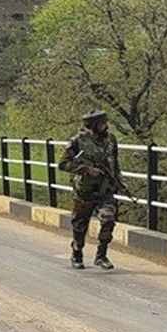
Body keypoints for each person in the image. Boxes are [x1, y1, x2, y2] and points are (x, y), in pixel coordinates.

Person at [57, 110, 120, 270]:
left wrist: (118, 181)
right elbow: (63, 164)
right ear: (93, 125)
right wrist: (86, 170)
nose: (105, 126)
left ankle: (101, 255)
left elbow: (115, 162)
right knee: (80, 226)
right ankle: (77, 254)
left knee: (108, 220)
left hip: (105, 189)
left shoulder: (111, 140)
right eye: (102, 123)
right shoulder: (77, 141)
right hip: (84, 191)